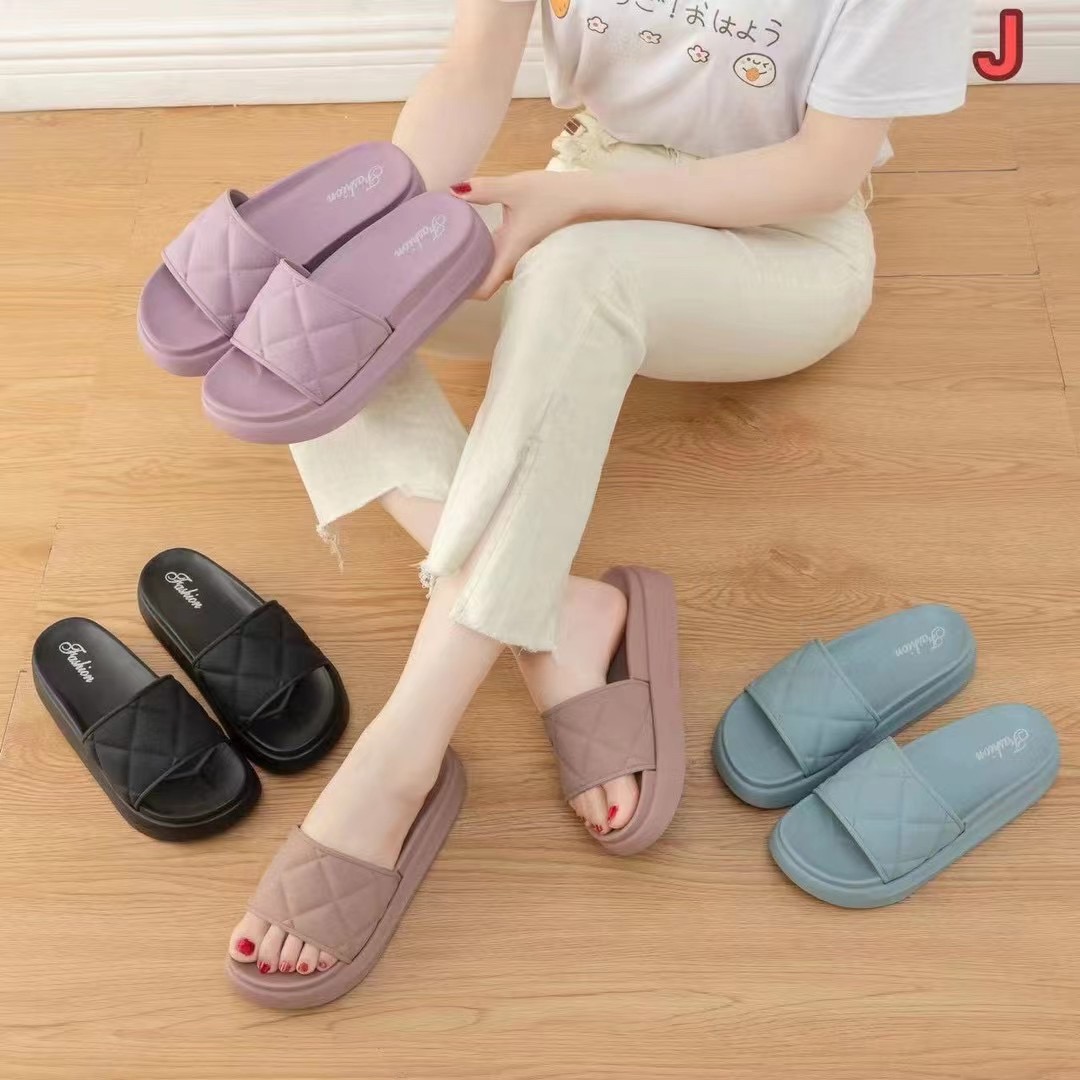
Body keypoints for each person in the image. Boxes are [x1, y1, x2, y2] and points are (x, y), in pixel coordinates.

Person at [227, 0, 971, 978]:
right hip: (574, 189)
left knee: (581, 269)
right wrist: (385, 236)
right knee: (300, 298)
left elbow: (823, 170)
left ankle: (401, 754)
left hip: (782, 244)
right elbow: (471, 67)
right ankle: (548, 619)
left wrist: (585, 205)